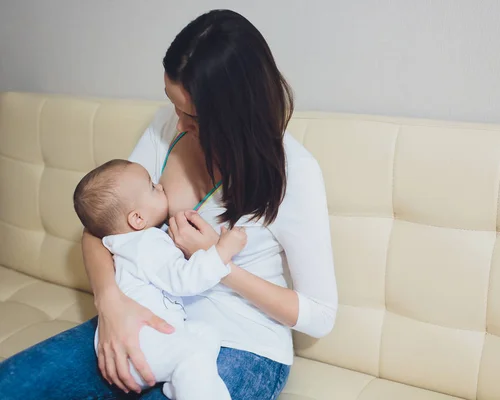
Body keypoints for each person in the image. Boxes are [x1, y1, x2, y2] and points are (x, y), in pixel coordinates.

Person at [0, 9, 337, 400]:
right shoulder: (166, 129)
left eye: (190, 114)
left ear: (231, 116)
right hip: (147, 319)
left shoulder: (295, 173)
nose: (176, 123)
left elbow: (319, 315)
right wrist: (110, 304)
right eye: (172, 103)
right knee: (15, 384)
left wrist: (217, 261)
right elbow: (102, 230)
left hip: (242, 343)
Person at [73, 159, 248, 400]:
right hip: (142, 347)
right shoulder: (146, 244)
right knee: (195, 353)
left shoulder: (122, 245)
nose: (162, 187)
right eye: (153, 187)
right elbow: (185, 280)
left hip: (133, 345)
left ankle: (178, 383)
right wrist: (223, 251)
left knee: (206, 333)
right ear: (137, 219)